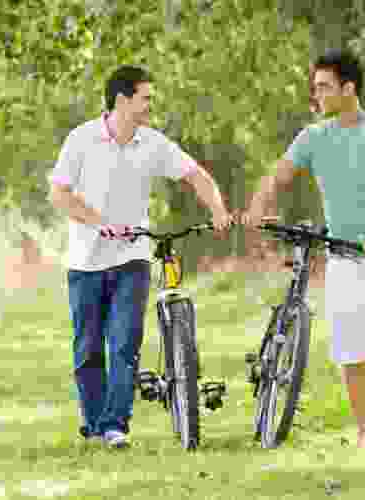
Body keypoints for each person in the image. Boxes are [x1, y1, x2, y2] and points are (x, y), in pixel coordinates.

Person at [48, 65, 234, 449]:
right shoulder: (81, 140)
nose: (151, 105)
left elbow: (196, 175)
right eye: (146, 98)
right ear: (122, 100)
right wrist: (98, 222)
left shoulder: (152, 143)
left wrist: (217, 208)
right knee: (87, 350)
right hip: (86, 262)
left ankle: (116, 424)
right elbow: (59, 194)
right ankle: (95, 422)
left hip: (132, 257)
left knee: (124, 341)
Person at [242, 49, 365, 448]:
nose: (316, 94)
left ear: (348, 88)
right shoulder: (313, 136)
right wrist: (257, 208)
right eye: (315, 87)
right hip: (342, 258)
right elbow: (278, 176)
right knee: (353, 347)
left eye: (323, 86)